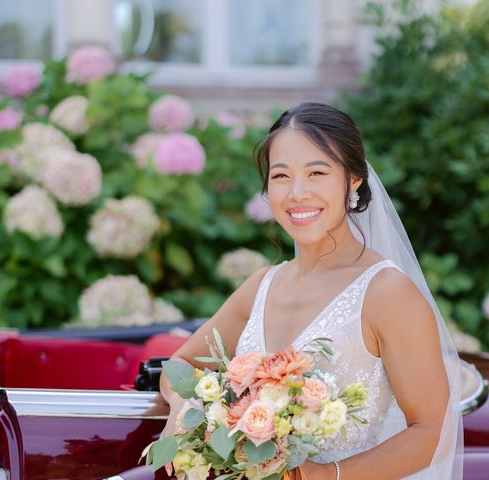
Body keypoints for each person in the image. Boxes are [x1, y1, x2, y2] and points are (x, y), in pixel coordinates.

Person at [160, 102, 464, 479]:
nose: (297, 193)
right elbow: (180, 366)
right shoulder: (261, 286)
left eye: (317, 172)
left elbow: (434, 433)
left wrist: (324, 475)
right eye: (281, 176)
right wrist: (184, 406)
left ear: (353, 179)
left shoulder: (387, 293)